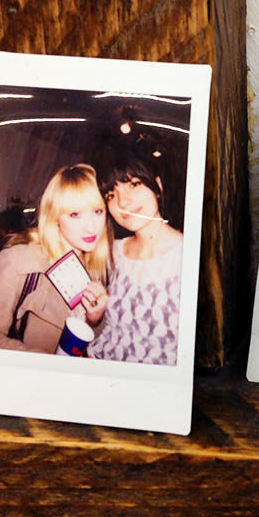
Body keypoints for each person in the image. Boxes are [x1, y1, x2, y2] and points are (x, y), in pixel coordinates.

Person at [0, 164, 110, 354]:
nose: (91, 227)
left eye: (97, 211)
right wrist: (48, 364)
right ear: (55, 217)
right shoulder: (18, 261)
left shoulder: (97, 269)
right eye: (75, 214)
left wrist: (95, 320)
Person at [88, 152, 183, 365]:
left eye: (134, 184)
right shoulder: (114, 252)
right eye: (111, 195)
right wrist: (96, 316)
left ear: (157, 187)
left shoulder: (188, 257)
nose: (123, 201)